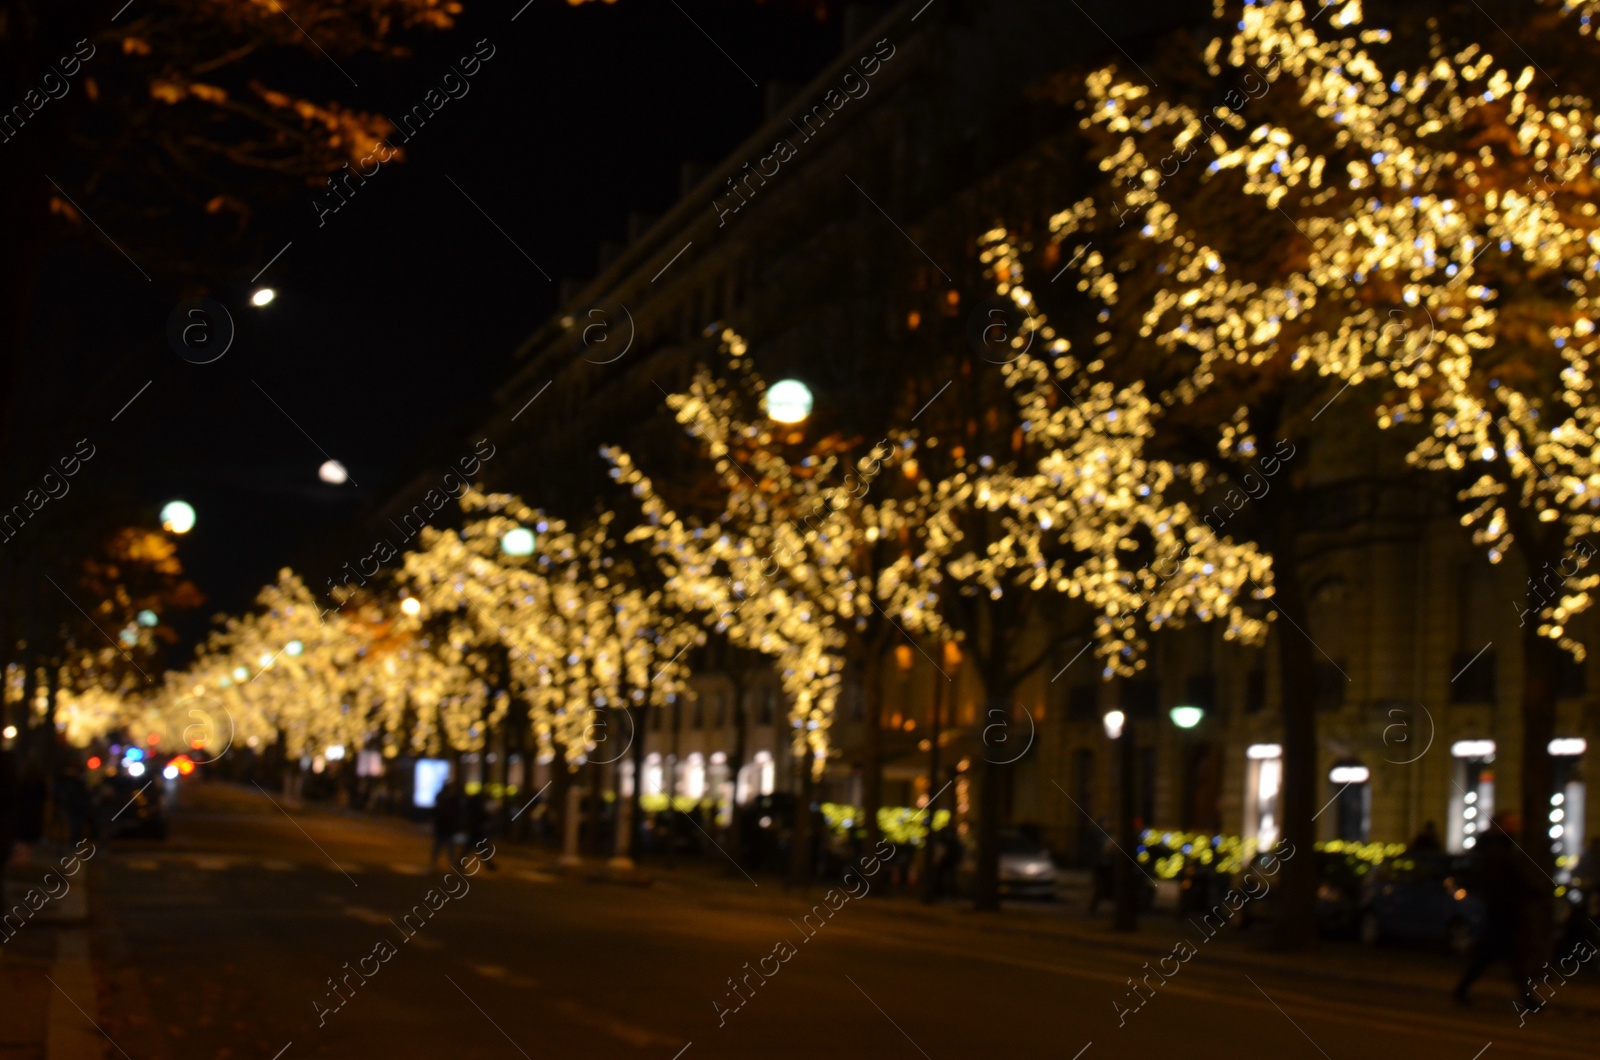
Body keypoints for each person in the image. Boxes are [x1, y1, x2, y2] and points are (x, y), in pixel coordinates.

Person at [1453, 816, 1541, 1009]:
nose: (1517, 827)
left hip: (1501, 912)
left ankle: (1462, 990)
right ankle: (1527, 1000)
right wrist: (1526, 894)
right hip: (1502, 913)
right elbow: (1506, 881)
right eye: (1512, 823)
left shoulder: (1498, 849)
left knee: (1494, 957)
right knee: (1507, 956)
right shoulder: (1498, 851)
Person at [461, 787, 498, 871]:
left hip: (475, 829)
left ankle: (489, 865)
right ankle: (489, 865)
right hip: (477, 830)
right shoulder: (477, 806)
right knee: (478, 847)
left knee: (471, 848)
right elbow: (480, 816)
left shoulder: (474, 805)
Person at [430, 780, 462, 870]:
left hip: (443, 826)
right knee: (448, 846)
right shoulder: (449, 798)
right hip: (446, 826)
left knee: (440, 845)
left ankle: (434, 862)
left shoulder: (443, 797)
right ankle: (449, 863)